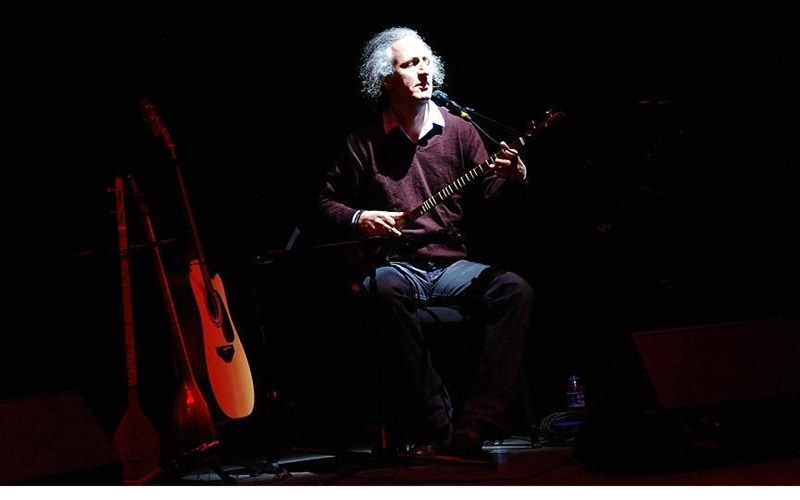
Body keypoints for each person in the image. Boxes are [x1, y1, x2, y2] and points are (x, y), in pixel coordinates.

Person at [315, 26, 533, 457]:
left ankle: (477, 423)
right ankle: (438, 425)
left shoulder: (460, 130)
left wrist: (514, 177)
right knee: (382, 290)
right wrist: (361, 218)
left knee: (515, 290)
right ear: (386, 79)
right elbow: (324, 203)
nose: (423, 72)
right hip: (396, 265)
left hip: (451, 264)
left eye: (427, 61)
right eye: (410, 64)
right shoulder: (363, 142)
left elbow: (490, 195)